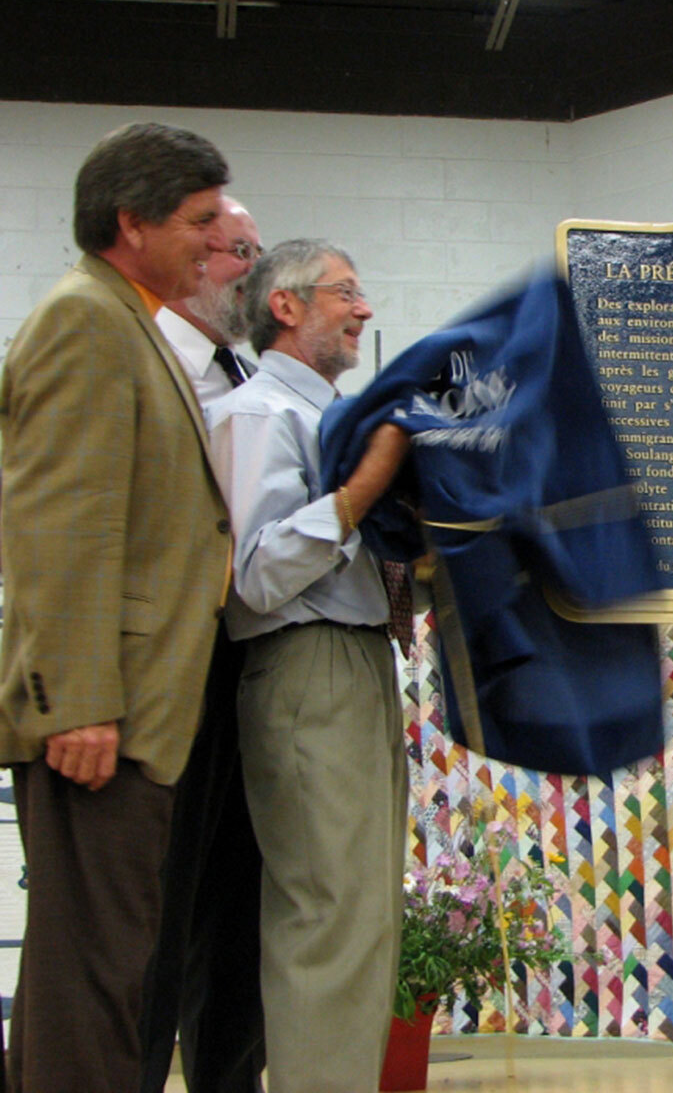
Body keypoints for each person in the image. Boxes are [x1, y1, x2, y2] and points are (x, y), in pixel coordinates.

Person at [0, 122, 232, 1092]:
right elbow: (62, 522)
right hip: (105, 717)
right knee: (90, 983)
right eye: (199, 221)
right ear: (130, 224)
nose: (215, 243)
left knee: (100, 977)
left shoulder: (124, 318)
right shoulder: (85, 320)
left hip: (132, 714)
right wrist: (83, 700)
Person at [207, 238, 410, 1093]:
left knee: (363, 914)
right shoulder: (260, 414)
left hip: (357, 660)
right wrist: (365, 490)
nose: (364, 310)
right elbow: (254, 577)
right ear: (284, 307)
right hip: (305, 662)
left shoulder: (335, 418)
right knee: (327, 912)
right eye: (345, 293)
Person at [139, 197, 267, 1093]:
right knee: (152, 908)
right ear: (189, 257)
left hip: (250, 669)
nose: (251, 273)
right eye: (238, 251)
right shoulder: (133, 362)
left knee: (237, 906)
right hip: (158, 681)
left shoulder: (257, 380)